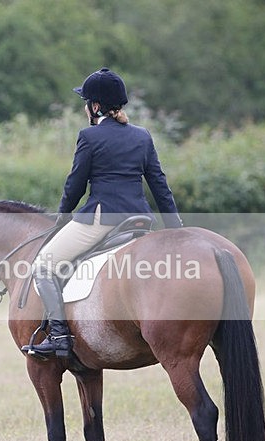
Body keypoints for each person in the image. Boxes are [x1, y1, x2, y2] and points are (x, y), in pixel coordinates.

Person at [22, 67, 183, 358]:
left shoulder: (89, 136)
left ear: (95, 106)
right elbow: (160, 185)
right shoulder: (142, 136)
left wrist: (61, 218)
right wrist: (176, 228)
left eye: (86, 103)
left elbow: (74, 186)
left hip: (101, 220)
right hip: (139, 220)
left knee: (44, 266)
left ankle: (59, 336)